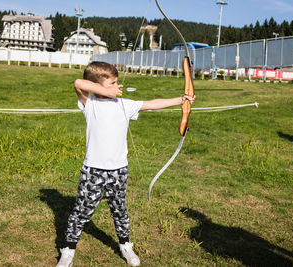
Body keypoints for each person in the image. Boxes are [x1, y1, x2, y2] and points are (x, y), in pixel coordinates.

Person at [56, 61, 195, 267]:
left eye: (117, 82)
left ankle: (125, 245)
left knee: (119, 210)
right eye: (112, 83)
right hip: (93, 169)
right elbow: (78, 82)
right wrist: (106, 91)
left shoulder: (124, 104)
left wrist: (181, 99)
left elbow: (151, 103)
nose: (117, 86)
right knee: (82, 211)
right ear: (97, 85)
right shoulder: (90, 102)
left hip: (119, 170)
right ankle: (68, 250)